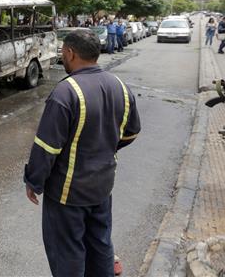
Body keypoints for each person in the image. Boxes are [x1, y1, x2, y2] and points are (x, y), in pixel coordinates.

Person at [24, 29, 141, 277]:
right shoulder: (120, 86)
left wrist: (34, 181)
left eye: (62, 52)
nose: (62, 57)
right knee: (100, 245)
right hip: (102, 187)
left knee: (67, 252)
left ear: (70, 52)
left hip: (68, 193)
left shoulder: (66, 92)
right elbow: (131, 132)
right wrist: (104, 147)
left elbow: (47, 147)